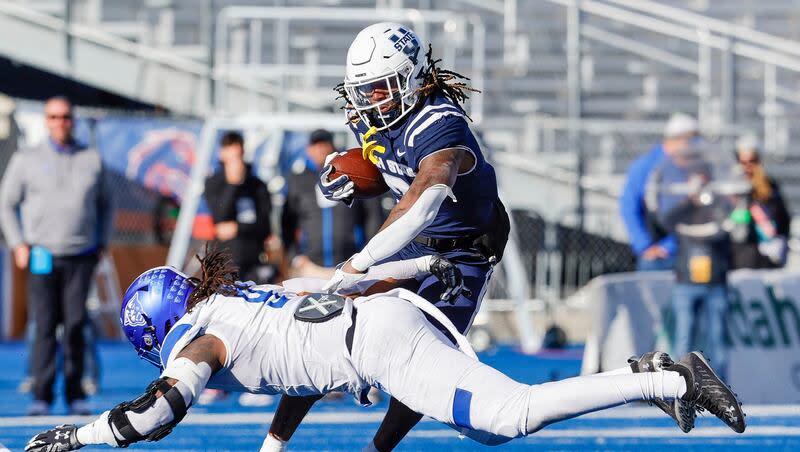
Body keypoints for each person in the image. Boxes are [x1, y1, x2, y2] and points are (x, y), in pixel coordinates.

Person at [25, 250, 745, 452]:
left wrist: (77, 437)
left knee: (510, 416)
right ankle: (654, 377)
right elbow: (297, 367)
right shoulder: (233, 303)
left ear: (157, 328)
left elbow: (153, 418)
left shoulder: (203, 337)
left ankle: (666, 380)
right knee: (483, 427)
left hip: (380, 340)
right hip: (379, 327)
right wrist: (274, 447)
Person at [298, 23, 511, 451]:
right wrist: (349, 175)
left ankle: (377, 449)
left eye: (381, 87)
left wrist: (362, 262)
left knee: (423, 363)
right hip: (410, 241)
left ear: (411, 78)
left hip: (460, 254)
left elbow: (423, 197)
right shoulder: (370, 117)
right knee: (323, 323)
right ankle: (274, 442)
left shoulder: (440, 122)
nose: (370, 99)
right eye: (365, 89)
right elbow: (389, 168)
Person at [0, 96, 113, 416]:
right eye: (53, 117)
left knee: (77, 325)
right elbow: (5, 203)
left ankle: (76, 393)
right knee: (44, 325)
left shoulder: (91, 158)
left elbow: (106, 205)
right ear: (46, 121)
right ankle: (42, 395)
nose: (60, 122)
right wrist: (18, 243)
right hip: (41, 255)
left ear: (73, 120)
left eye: (65, 116)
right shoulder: (27, 159)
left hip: (81, 255)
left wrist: (102, 241)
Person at [651, 141, 737, 378]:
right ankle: (683, 387)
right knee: (684, 339)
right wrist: (689, 200)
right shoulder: (684, 208)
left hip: (716, 282)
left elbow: (728, 226)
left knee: (718, 340)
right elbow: (666, 222)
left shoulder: (719, 205)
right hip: (686, 281)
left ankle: (722, 389)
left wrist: (714, 201)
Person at [280, 129, 383, 278]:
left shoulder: (351, 175)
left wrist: (367, 255)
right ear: (309, 150)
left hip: (349, 265)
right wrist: (294, 256)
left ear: (332, 146)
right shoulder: (298, 180)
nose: (321, 149)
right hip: (311, 266)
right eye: (316, 145)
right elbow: (288, 221)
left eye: (324, 144)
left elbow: (373, 215)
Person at [620, 113, 700, 271]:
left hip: (689, 251)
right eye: (691, 141)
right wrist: (645, 246)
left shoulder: (694, 166)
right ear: (675, 140)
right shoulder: (646, 166)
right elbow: (629, 207)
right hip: (657, 257)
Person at [204, 131, 274, 284]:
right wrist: (233, 184)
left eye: (239, 156)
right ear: (222, 156)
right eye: (231, 158)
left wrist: (238, 228)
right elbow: (219, 218)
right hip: (225, 264)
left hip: (254, 261)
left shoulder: (257, 186)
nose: (237, 163)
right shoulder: (214, 183)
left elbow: (265, 227)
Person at [731, 135, 791, 269]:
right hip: (737, 257)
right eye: (742, 162)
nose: (747, 167)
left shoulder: (769, 189)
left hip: (766, 258)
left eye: (752, 161)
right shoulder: (731, 189)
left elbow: (782, 220)